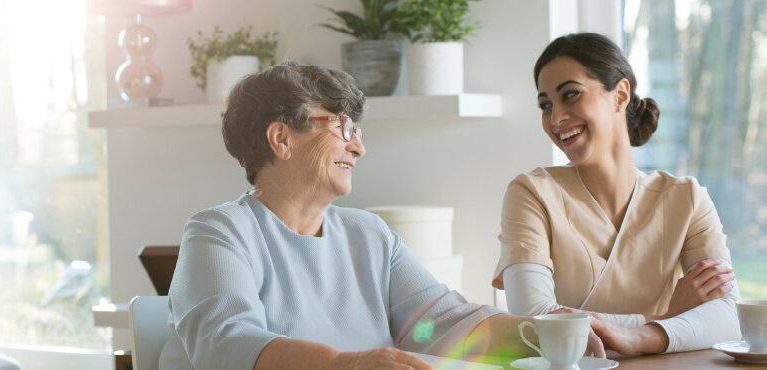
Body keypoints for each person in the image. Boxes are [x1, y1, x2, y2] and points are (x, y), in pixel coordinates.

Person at [160, 61, 603, 370]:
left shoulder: (366, 234)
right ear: (281, 138)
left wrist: (541, 331)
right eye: (343, 127)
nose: (358, 146)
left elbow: (439, 323)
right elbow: (228, 349)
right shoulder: (219, 233)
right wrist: (345, 365)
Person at [492, 33, 742, 354]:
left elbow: (728, 315)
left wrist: (640, 337)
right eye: (545, 105)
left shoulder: (687, 198)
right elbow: (535, 318)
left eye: (570, 95)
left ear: (620, 95)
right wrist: (664, 318)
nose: (555, 118)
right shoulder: (531, 193)